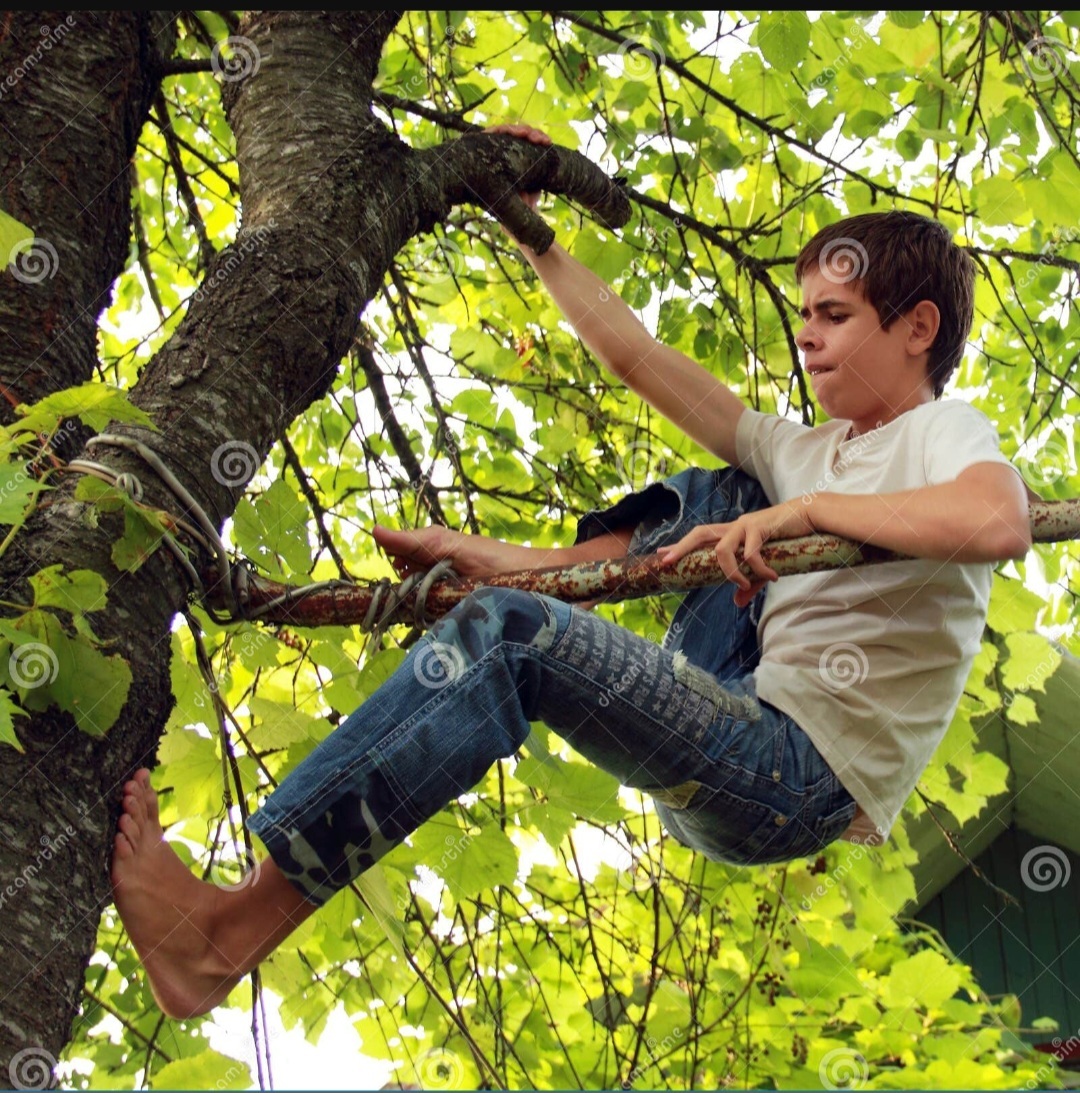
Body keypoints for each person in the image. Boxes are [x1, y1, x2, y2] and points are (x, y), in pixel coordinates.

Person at [111, 125, 1031, 1019]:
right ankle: (531, 570)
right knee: (728, 488)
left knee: (514, 632)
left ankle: (225, 934)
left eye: (835, 315)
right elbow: (638, 357)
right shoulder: (805, 452)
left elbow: (998, 521)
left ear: (917, 327)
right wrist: (531, 230)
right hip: (727, 717)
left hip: (793, 775)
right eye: (803, 315)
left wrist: (808, 511)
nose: (807, 335)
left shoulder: (939, 430)